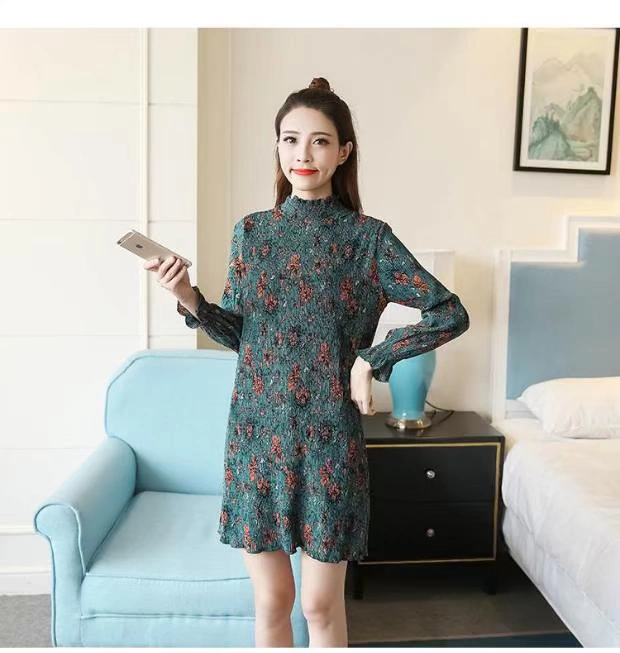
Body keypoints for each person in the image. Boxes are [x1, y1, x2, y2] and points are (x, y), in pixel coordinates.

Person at [144, 76, 470, 648]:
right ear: (277, 147)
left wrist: (372, 359)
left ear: (343, 152)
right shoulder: (253, 233)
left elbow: (450, 312)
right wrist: (190, 298)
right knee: (272, 601)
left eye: (319, 141)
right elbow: (244, 335)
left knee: (319, 606)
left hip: (328, 440)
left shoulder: (368, 240)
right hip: (256, 437)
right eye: (290, 139)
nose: (303, 153)